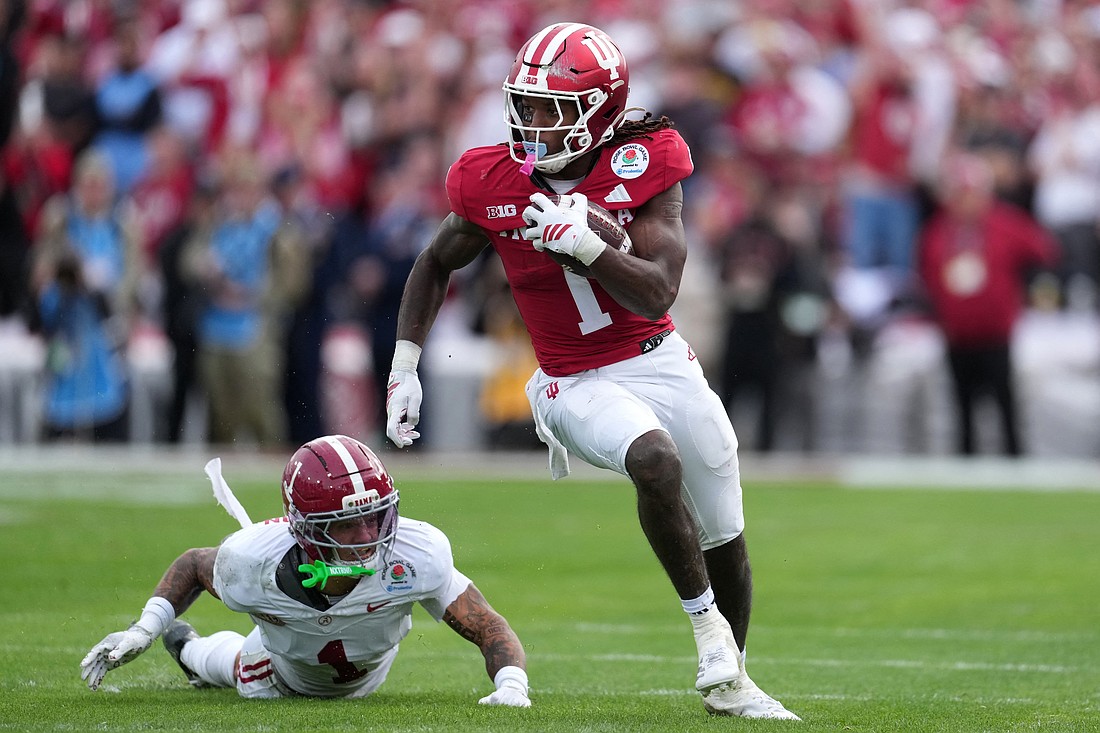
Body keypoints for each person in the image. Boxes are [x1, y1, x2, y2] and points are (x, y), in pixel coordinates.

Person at [384, 22, 797, 719]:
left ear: (599, 111)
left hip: (656, 356)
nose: (531, 123)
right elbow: (435, 261)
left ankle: (734, 683)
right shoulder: (489, 177)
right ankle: (707, 633)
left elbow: (658, 291)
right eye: (524, 104)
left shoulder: (646, 158)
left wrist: (590, 247)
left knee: (725, 528)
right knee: (654, 458)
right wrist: (405, 365)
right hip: (569, 379)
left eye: (550, 109)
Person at [79, 434, 530, 706]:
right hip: (277, 671)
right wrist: (146, 628)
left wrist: (512, 685)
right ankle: (188, 650)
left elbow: (488, 625)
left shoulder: (417, 553)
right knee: (232, 666)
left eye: (375, 516)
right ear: (305, 528)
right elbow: (195, 564)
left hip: (369, 671)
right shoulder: (253, 562)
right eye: (347, 523)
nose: (367, 534)